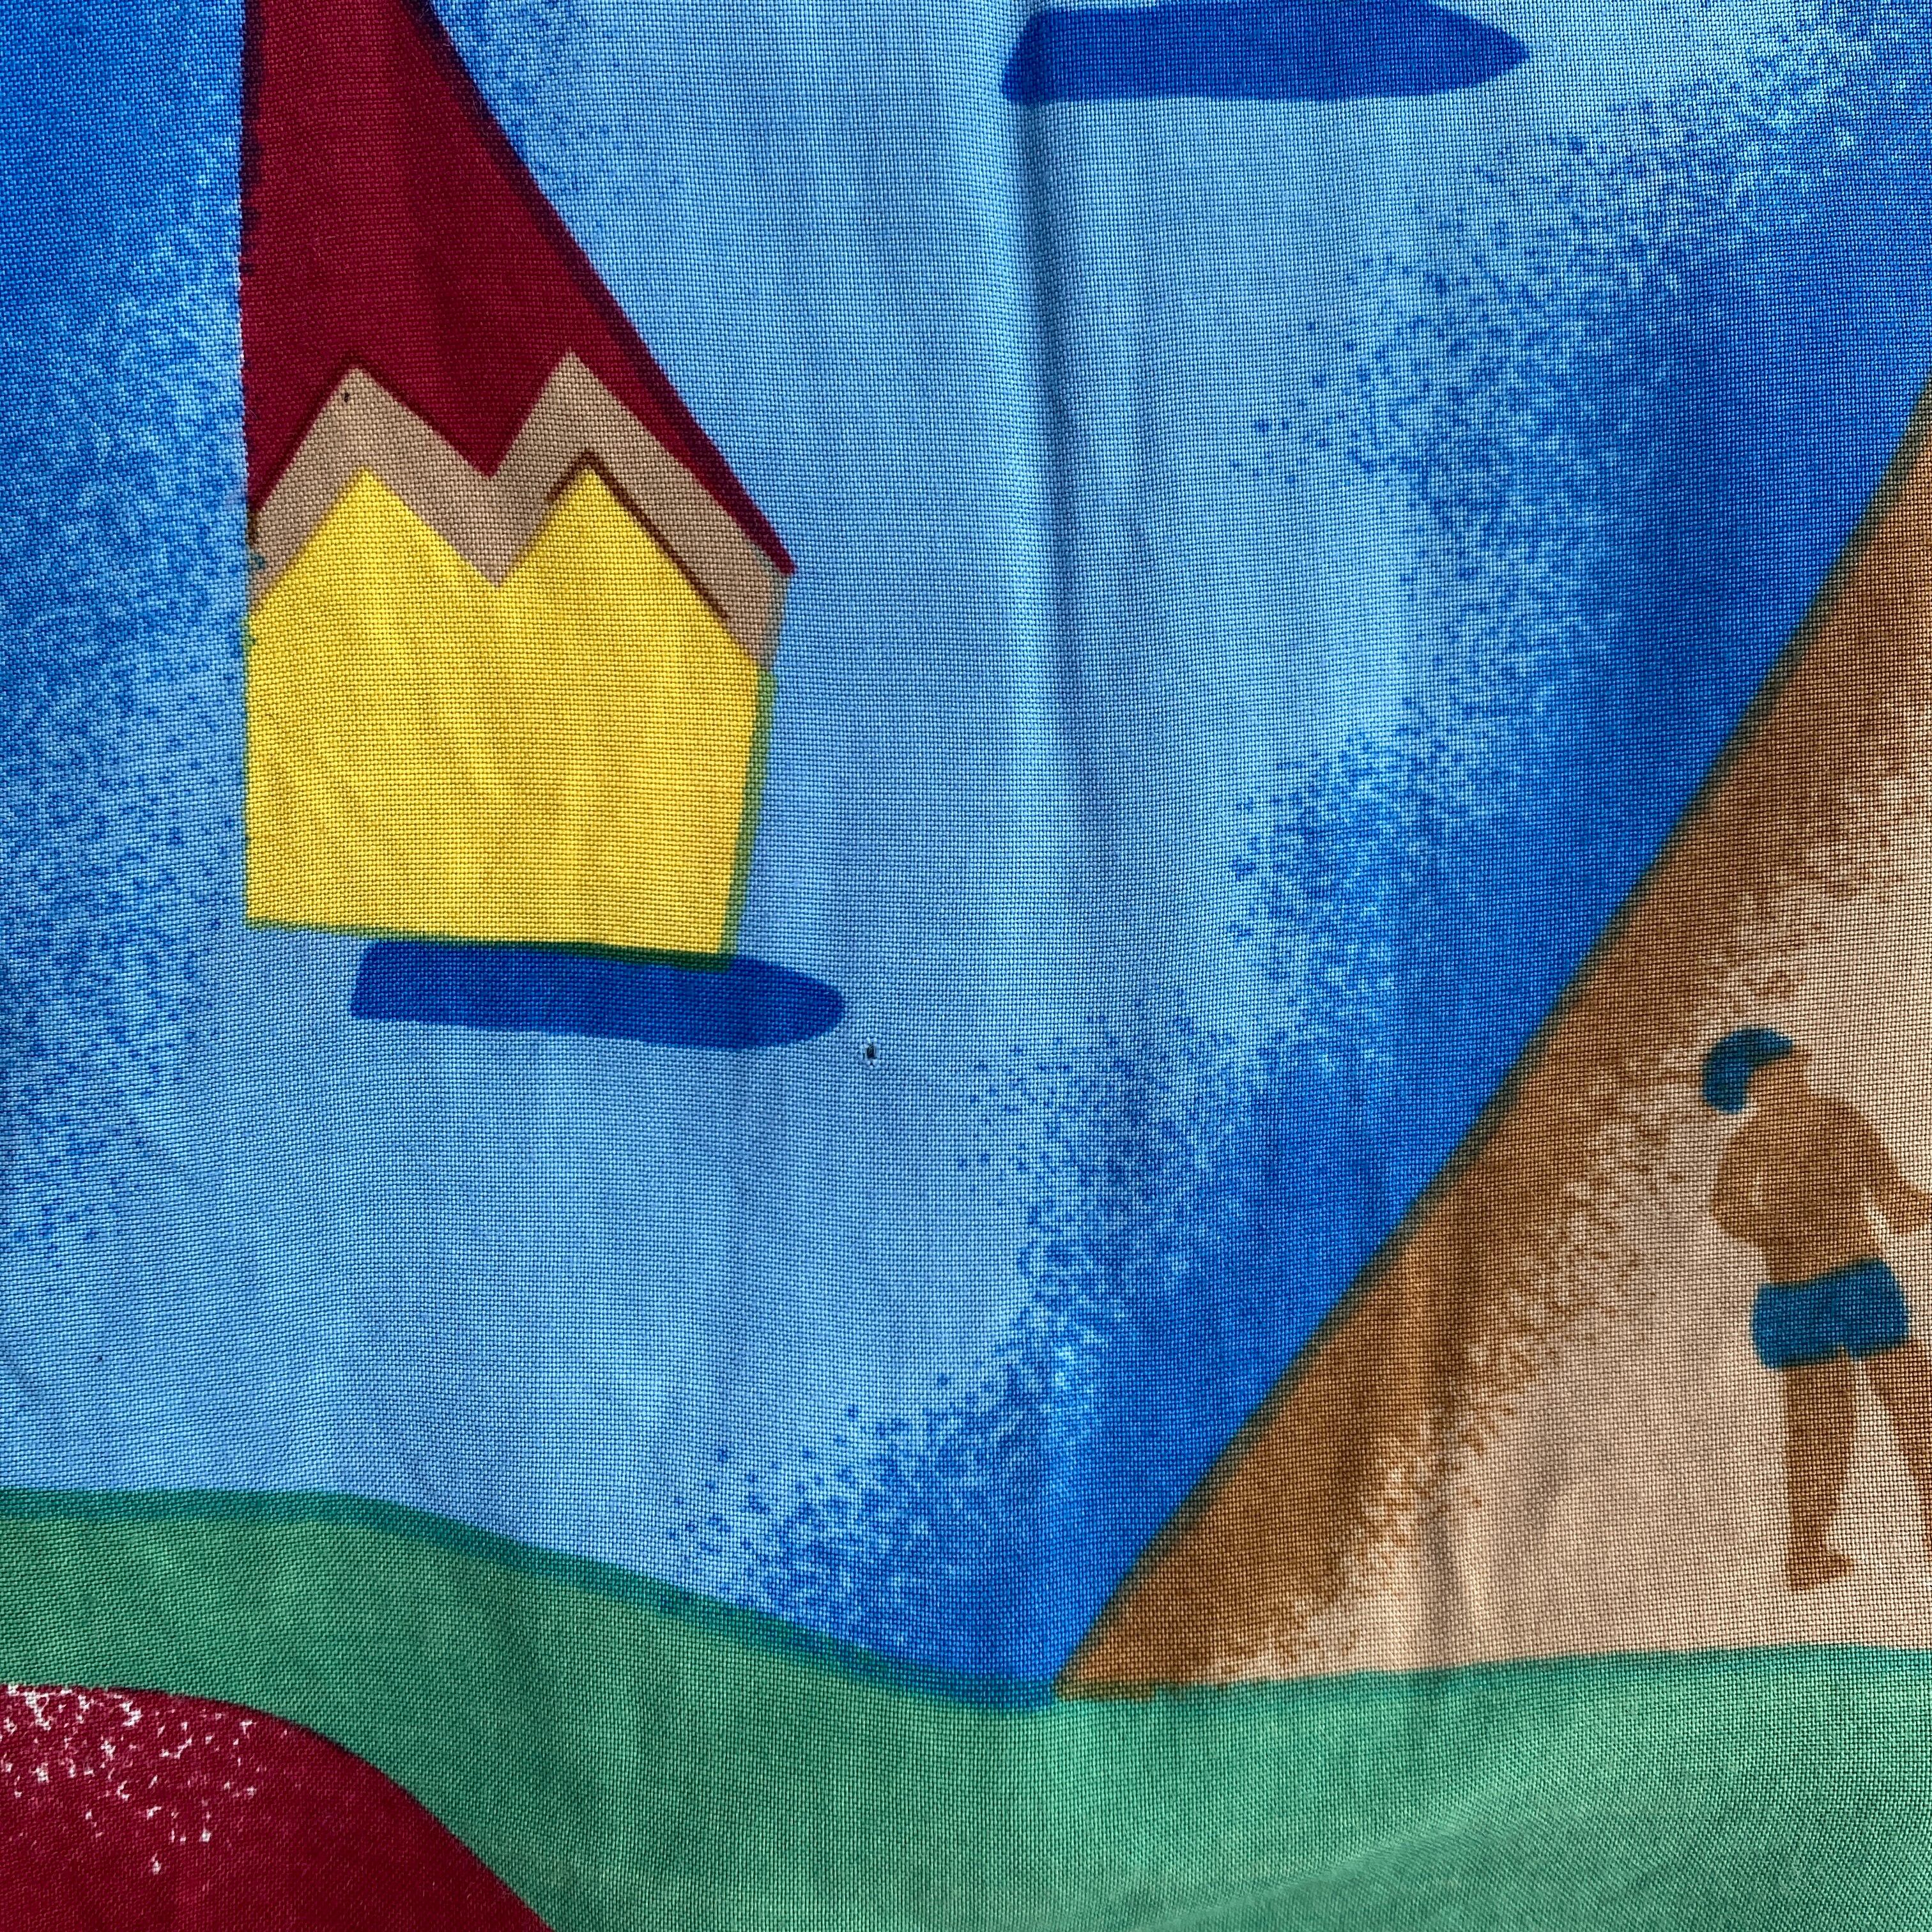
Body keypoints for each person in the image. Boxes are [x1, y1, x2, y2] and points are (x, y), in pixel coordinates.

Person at [1704, 1027, 1932, 1588]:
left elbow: (1895, 1200)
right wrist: (1782, 1227)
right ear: (1756, 1092)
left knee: (1915, 1403)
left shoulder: (1840, 1121)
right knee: (1822, 1426)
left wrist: (1912, 1205)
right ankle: (1806, 1552)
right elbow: (1727, 1210)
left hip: (1857, 1282)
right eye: (1773, 1082)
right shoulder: (1748, 1148)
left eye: (1791, 1072)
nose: (1790, 1085)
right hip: (1801, 1298)